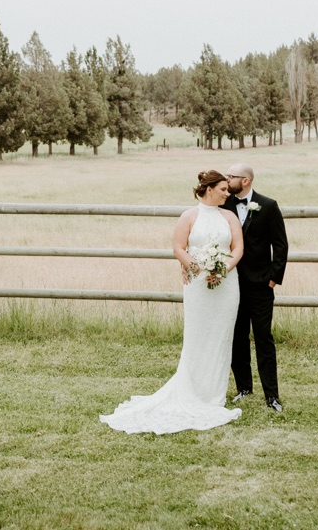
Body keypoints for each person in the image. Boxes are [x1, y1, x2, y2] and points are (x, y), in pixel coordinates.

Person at [99, 170, 245, 434]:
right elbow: (178, 247)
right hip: (198, 285)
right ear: (209, 189)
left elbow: (238, 248)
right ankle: (192, 390)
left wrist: (222, 269)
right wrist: (197, 266)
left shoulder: (229, 216)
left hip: (226, 284)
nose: (227, 193)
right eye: (223, 189)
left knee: (222, 336)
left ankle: (214, 395)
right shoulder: (189, 216)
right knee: (197, 335)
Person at [223, 162, 288, 413]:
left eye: (232, 176)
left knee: (263, 339)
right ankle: (244, 388)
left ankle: (272, 396)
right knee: (237, 337)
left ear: (246, 181)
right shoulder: (223, 204)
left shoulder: (268, 205)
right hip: (231, 285)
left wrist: (273, 278)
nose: (227, 179)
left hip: (261, 285)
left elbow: (280, 245)